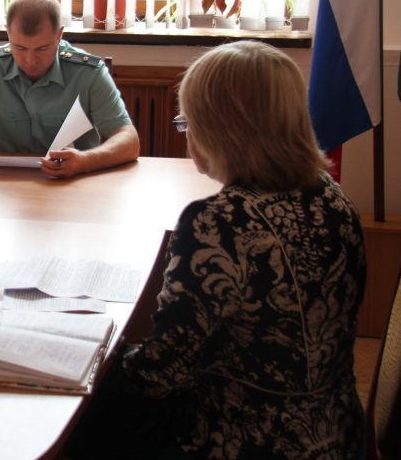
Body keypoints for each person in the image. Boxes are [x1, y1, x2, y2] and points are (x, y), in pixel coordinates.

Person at [65, 41, 367, 459]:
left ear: (221, 129)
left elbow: (160, 375)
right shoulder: (333, 198)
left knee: (80, 425)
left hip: (243, 440)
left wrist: (85, 357)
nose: (188, 136)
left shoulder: (220, 222)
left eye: (188, 122)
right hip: (338, 433)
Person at [0, 0, 139, 178]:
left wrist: (85, 161)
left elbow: (129, 141)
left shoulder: (88, 73)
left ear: (59, 35)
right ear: (8, 34)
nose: (30, 60)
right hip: (6, 184)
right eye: (20, 48)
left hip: (75, 181)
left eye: (42, 49)